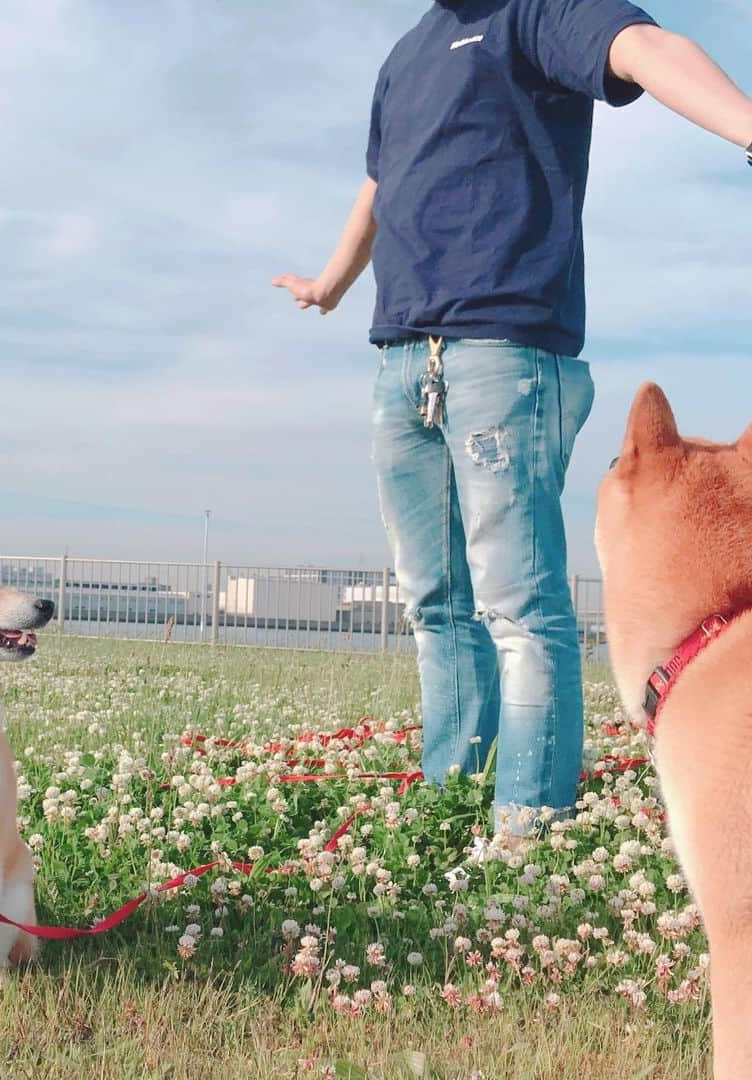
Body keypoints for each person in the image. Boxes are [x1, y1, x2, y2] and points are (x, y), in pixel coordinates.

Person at [274, 0, 752, 839]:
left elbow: (643, 48)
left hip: (504, 352)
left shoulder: (534, 12)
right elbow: (382, 183)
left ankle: (528, 833)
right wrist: (331, 283)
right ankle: (453, 803)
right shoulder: (406, 54)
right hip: (401, 357)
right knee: (436, 604)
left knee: (520, 605)